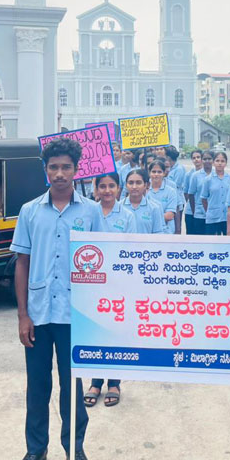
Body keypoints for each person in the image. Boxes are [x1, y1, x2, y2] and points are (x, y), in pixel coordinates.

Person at [10, 138, 104, 460]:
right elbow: (22, 263)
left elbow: (103, 261)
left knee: (72, 386)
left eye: (66, 167)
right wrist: (23, 315)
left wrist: (97, 316)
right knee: (37, 387)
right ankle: (36, 450)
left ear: (76, 170)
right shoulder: (30, 211)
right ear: (45, 170)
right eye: (54, 167)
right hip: (38, 315)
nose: (60, 173)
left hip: (75, 316)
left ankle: (75, 449)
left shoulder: (91, 212)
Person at [84, 173, 136, 409]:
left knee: (115, 330)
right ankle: (95, 382)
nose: (107, 190)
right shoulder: (88, 212)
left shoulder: (127, 216)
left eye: (111, 186)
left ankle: (114, 383)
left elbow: (132, 249)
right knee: (94, 330)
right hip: (92, 279)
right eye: (102, 186)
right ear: (95, 188)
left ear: (119, 188)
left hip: (118, 281)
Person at [200, 151, 230, 235]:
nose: (220, 163)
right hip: (212, 217)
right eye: (217, 161)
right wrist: (209, 211)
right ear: (213, 162)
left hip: (227, 218)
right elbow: (204, 199)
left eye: (222, 161)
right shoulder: (208, 180)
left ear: (226, 163)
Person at [123, 169, 164, 233]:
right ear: (126, 185)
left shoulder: (154, 208)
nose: (134, 187)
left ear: (145, 185)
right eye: (131, 183)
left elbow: (158, 233)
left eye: (138, 183)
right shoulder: (119, 207)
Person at [147, 159, 178, 233]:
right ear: (149, 173)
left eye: (159, 172)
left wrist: (148, 218)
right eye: (153, 171)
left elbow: (170, 215)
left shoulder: (171, 191)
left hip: (166, 231)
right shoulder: (144, 190)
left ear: (164, 173)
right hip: (148, 230)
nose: (156, 174)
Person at [188, 150, 214, 235]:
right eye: (205, 159)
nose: (207, 161)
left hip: (214, 215)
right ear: (202, 160)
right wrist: (194, 211)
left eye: (209, 159)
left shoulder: (216, 174)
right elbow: (191, 194)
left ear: (213, 160)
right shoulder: (195, 175)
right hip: (199, 214)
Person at [166, 145, 186, 234]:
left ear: (169, 157)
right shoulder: (168, 167)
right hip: (168, 199)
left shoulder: (179, 169)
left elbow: (176, 186)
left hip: (177, 200)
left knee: (177, 226)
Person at [183, 149, 203, 235]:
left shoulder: (208, 173)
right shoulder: (188, 174)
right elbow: (186, 192)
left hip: (203, 211)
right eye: (194, 158)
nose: (196, 159)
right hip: (190, 211)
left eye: (198, 157)